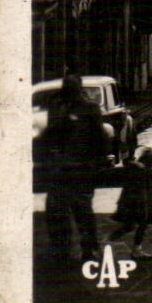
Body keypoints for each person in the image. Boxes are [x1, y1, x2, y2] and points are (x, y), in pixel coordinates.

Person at [42, 74, 108, 262]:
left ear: (78, 89)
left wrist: (98, 163)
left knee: (82, 210)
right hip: (60, 169)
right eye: (66, 87)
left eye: (71, 87)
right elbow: (50, 135)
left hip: (81, 168)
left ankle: (90, 249)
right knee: (56, 210)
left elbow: (100, 138)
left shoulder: (90, 109)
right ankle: (60, 249)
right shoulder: (57, 107)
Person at [110, 146, 152, 260]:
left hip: (136, 201)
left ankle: (132, 249)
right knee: (137, 225)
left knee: (132, 225)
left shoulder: (140, 167)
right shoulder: (142, 169)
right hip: (137, 202)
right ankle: (132, 249)